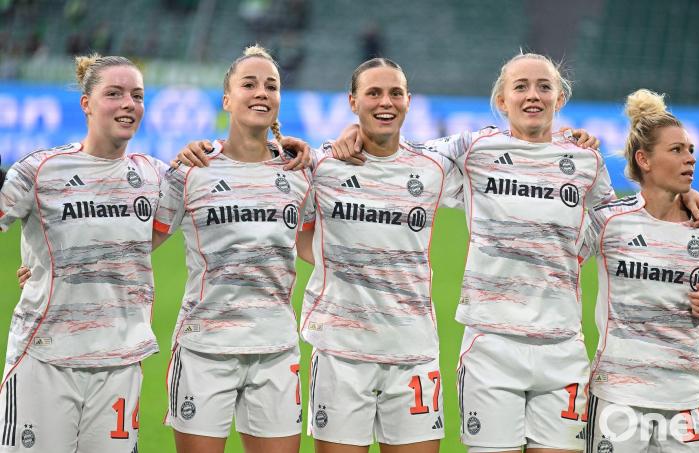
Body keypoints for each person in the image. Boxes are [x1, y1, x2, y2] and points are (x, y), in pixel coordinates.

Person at [331, 52, 699, 453]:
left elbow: (616, 223)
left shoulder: (585, 160)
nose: (533, 95)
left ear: (559, 99)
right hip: (491, 346)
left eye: (544, 87)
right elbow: (402, 154)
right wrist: (356, 129)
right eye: (521, 87)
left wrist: (681, 195)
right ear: (502, 100)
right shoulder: (473, 148)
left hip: (562, 349)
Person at [175, 57, 457, 453]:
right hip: (339, 351)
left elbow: (485, 154)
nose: (385, 102)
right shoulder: (319, 166)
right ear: (352, 102)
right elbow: (302, 237)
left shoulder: (434, 167)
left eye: (395, 93)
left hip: (415, 350)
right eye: (373, 93)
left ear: (409, 100)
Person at [155, 45, 314, 453]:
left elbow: (318, 247)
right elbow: (139, 241)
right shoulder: (192, 169)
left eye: (271, 86)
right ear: (227, 99)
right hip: (204, 348)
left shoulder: (300, 171)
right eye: (249, 84)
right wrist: (47, 262)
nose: (261, 92)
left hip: (276, 349)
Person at [0, 53, 161, 453]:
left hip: (119, 363)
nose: (129, 103)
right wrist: (44, 264)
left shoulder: (156, 176)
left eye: (137, 95)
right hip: (45, 357)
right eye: (114, 93)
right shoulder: (39, 171)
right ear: (86, 103)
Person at [581, 89, 699, 453]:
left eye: (690, 149)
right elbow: (555, 250)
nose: (690, 158)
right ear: (644, 159)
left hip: (687, 395)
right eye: (676, 150)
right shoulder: (610, 221)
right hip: (619, 394)